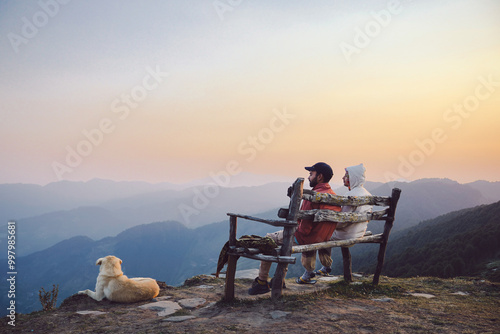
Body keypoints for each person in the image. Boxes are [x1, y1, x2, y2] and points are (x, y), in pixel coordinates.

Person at [248, 162, 341, 295]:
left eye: (311, 174)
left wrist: (294, 225)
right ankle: (279, 280)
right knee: (285, 240)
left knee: (268, 239)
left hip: (305, 239)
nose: (309, 177)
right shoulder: (334, 196)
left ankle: (262, 282)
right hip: (320, 240)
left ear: (319, 177)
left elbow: (303, 230)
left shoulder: (313, 196)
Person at [315, 163, 373, 276]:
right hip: (359, 233)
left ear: (353, 178)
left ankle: (325, 266)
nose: (343, 178)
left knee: (321, 234)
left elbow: (341, 223)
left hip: (348, 235)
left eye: (346, 176)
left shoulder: (351, 195)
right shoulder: (367, 194)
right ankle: (326, 267)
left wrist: (327, 223)